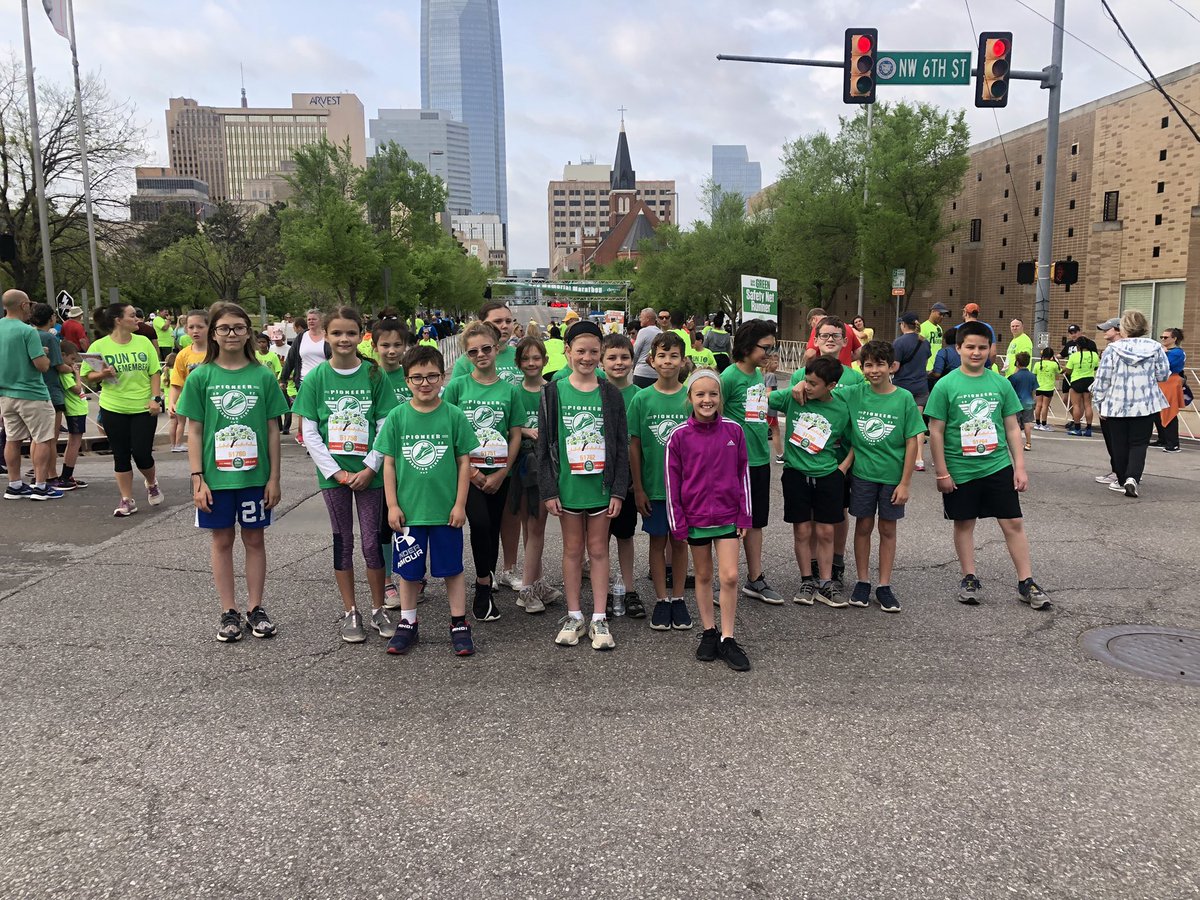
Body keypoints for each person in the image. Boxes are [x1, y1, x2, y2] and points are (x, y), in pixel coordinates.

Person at [177, 302, 289, 642]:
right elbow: (193, 431)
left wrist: (274, 478)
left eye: (239, 328)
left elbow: (273, 429)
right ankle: (229, 610)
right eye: (224, 328)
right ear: (213, 333)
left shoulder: (262, 375)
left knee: (254, 539)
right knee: (222, 539)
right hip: (216, 477)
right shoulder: (201, 376)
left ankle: (256, 607)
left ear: (249, 334)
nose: (232, 334)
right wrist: (197, 478)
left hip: (255, 477)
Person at [292, 306, 398, 643]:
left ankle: (378, 608)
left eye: (351, 333)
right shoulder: (316, 378)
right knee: (343, 542)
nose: (344, 339)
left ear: (360, 335)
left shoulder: (373, 375)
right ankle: (351, 611)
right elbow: (309, 432)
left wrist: (370, 466)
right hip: (333, 476)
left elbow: (385, 424)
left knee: (371, 544)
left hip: (371, 475)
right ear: (326, 334)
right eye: (337, 333)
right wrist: (336, 471)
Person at [926, 321, 1050, 610]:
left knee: (1013, 522)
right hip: (960, 468)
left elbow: (1011, 428)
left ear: (991, 349)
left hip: (996, 466)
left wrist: (1019, 466)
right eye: (970, 346)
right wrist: (941, 471)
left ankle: (1026, 581)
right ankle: (969, 577)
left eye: (983, 347)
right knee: (964, 522)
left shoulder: (1000, 383)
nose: (976, 352)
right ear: (958, 348)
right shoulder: (945, 385)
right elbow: (936, 431)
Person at [376, 344, 477, 657]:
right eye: (417, 377)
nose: (425, 383)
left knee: (452, 569)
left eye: (432, 376)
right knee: (408, 572)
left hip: (446, 511)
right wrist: (392, 505)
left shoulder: (453, 415)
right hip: (409, 513)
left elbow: (464, 462)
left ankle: (459, 623)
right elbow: (389, 464)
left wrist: (460, 504)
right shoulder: (397, 417)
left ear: (442, 377)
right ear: (407, 380)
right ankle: (408, 623)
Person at [536, 320, 629, 651]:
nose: (587, 358)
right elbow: (544, 446)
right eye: (580, 351)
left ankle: (599, 617)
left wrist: (619, 489)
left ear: (601, 353)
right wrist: (548, 490)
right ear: (567, 352)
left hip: (601, 487)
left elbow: (620, 444)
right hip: (568, 487)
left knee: (599, 550)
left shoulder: (610, 393)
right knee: (573, 551)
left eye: (593, 351)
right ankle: (574, 614)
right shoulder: (552, 392)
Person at [665, 369, 752, 671]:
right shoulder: (678, 436)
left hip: (728, 517)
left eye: (712, 394)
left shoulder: (734, 431)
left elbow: (744, 475)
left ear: (720, 397)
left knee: (729, 576)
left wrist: (745, 513)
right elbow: (672, 482)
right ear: (689, 398)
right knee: (703, 576)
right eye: (700, 394)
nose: (707, 399)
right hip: (696, 518)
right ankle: (709, 631)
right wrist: (678, 521)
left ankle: (728, 637)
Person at [442, 321, 522, 621]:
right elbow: (447, 429)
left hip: (500, 474)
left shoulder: (509, 391)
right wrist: (473, 473)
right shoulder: (457, 387)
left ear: (497, 348)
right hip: (468, 473)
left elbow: (515, 433)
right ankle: (483, 585)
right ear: (466, 354)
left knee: (493, 529)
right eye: (473, 351)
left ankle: (484, 584)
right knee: (481, 523)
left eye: (486, 348)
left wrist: (503, 472)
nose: (480, 355)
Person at [842, 341, 924, 613]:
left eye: (880, 364)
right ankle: (863, 580)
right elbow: (826, 389)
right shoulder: (854, 393)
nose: (874, 370)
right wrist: (799, 386)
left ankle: (884, 585)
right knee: (863, 526)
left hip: (893, 478)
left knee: (888, 529)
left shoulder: (903, 399)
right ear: (861, 367)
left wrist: (905, 482)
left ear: (892, 367)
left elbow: (913, 441)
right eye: (868, 365)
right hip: (863, 475)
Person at [769, 355, 852, 606]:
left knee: (826, 531)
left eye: (814, 383)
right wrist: (792, 387)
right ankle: (807, 579)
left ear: (831, 386)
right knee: (802, 530)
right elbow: (758, 399)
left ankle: (826, 583)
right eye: (806, 381)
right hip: (795, 473)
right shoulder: (794, 397)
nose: (807, 387)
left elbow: (855, 442)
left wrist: (842, 469)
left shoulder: (841, 407)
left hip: (829, 474)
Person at [790, 318, 865, 591]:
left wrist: (846, 465)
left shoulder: (855, 377)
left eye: (836, 335)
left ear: (846, 341)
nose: (830, 339)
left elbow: (860, 420)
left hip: (841, 459)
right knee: (809, 515)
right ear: (816, 340)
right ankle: (811, 565)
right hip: (808, 457)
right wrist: (796, 385)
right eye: (824, 335)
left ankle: (836, 562)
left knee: (838, 514)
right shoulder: (802, 375)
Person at [629, 331, 693, 631]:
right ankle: (661, 600)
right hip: (654, 487)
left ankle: (679, 598)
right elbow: (635, 446)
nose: (668, 361)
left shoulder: (691, 397)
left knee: (680, 543)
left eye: (674, 356)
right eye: (662, 356)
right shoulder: (642, 398)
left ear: (683, 361)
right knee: (657, 542)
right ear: (651, 360)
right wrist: (638, 487)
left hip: (686, 490)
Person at [721, 319, 784, 605]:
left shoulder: (758, 375)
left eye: (772, 346)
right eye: (765, 347)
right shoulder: (729, 377)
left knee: (756, 521)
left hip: (759, 458)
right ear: (747, 346)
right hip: (734, 463)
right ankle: (723, 579)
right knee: (727, 522)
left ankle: (755, 580)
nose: (770, 352)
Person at [81, 303, 164, 516]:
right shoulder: (99, 346)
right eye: (133, 316)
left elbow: (155, 371)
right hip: (113, 406)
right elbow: (86, 375)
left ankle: (151, 481)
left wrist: (156, 398)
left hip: (142, 406)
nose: (137, 319)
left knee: (142, 453)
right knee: (121, 454)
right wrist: (103, 374)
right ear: (118, 320)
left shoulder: (144, 342)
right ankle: (127, 499)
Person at [1091, 310, 1170, 498]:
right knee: (1139, 444)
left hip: (1117, 403)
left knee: (1119, 443)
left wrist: (1098, 402)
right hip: (1145, 403)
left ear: (1124, 327)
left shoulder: (1113, 349)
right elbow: (1163, 375)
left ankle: (1120, 478)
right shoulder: (1155, 347)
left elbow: (1102, 379)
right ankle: (1133, 477)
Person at [512, 335, 560, 614]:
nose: (532, 363)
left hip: (545, 465)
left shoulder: (552, 391)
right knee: (530, 527)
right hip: (522, 466)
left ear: (545, 360)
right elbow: (508, 426)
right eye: (526, 359)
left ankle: (535, 582)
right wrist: (525, 431)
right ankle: (527, 589)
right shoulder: (513, 392)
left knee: (535, 528)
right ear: (518, 363)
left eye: (536, 358)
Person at [599, 332, 644, 618]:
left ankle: (629, 590)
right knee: (598, 539)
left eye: (624, 357)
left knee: (626, 535)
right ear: (601, 362)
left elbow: (640, 443)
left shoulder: (639, 395)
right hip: (598, 478)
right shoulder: (595, 391)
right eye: (612, 358)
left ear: (633, 360)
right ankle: (602, 594)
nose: (619, 363)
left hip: (627, 481)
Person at [1, 290, 60, 500]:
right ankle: (41, 485)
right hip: (32, 392)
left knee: (12, 439)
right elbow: (42, 366)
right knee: (42, 438)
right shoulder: (27, 331)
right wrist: (43, 354)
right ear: (24, 305)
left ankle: (14, 484)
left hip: (6, 394)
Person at [30, 303, 71, 484]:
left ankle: (38, 472)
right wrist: (73, 369)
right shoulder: (50, 338)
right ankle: (52, 474)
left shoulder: (29, 334)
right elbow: (58, 365)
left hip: (31, 390)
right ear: (51, 318)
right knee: (50, 438)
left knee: (36, 438)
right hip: (51, 390)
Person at [281, 309, 331, 446]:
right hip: (304, 380)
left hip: (324, 380)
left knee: (321, 409)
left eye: (314, 319)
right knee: (307, 410)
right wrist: (283, 378)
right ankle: (307, 437)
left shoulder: (327, 337)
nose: (310, 321)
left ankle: (321, 434)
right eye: (308, 319)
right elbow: (291, 358)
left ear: (321, 320)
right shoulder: (302, 337)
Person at [892, 312, 932, 472]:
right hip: (921, 386)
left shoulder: (898, 342)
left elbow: (895, 366)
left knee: (900, 422)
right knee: (918, 422)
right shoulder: (924, 342)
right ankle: (919, 459)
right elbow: (925, 360)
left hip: (902, 386)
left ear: (903, 324)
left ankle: (900, 457)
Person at [168, 309, 209, 454]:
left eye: (200, 327)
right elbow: (176, 383)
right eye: (191, 327)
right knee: (198, 446)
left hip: (214, 404)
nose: (195, 331)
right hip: (194, 406)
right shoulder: (183, 355)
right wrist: (172, 402)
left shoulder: (218, 351)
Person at [450, 302, 522, 385]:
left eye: (508, 321)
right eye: (498, 321)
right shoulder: (465, 362)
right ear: (482, 324)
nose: (505, 326)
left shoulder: (521, 355)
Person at [55, 341, 90, 491]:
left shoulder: (66, 372)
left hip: (78, 409)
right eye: (72, 359)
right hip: (75, 409)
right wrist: (77, 374)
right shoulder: (65, 374)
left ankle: (67, 474)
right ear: (63, 356)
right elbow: (76, 388)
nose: (74, 363)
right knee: (75, 443)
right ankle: (66, 474)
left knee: (73, 441)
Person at [1153, 328, 1185, 453]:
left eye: (1165, 337)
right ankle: (1163, 438)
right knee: (1157, 412)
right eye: (1162, 337)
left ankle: (1173, 443)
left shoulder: (1177, 352)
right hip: (1161, 382)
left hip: (1170, 382)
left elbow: (1167, 365)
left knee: (1169, 411)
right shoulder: (1164, 351)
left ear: (1174, 339)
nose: (1162, 339)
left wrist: (1163, 353)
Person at [1064, 335, 1101, 436]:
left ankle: (1077, 428)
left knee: (1076, 405)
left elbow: (1069, 370)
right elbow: (1096, 367)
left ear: (1078, 346)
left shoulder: (1074, 356)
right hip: (1089, 380)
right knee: (1088, 405)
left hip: (1076, 380)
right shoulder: (1094, 355)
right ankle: (1088, 429)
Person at [1008, 352, 1037, 451]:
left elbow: (1010, 391)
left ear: (1017, 362)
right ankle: (1028, 443)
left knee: (1015, 424)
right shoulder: (1032, 376)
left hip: (1016, 402)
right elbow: (1034, 391)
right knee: (1027, 422)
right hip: (1029, 401)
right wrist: (1034, 401)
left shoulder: (1014, 377)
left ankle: (1017, 444)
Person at [630, 307, 663, 388]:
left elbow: (635, 352)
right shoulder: (661, 333)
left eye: (641, 317)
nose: (639, 319)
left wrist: (632, 368)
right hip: (656, 374)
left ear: (647, 319)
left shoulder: (643, 331)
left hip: (642, 373)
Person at [1030, 348, 1060, 431]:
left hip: (1039, 387)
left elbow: (1034, 374)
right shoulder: (1053, 364)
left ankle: (1037, 423)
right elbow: (1059, 371)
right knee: (1045, 406)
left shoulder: (1037, 364)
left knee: (1038, 405)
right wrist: (1055, 361)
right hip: (1048, 387)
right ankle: (1044, 424)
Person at [921, 302, 950, 378]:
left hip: (937, 368)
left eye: (943, 315)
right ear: (932, 311)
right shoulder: (923, 327)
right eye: (940, 314)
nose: (942, 317)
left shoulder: (939, 328)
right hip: (926, 369)